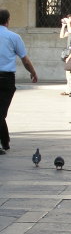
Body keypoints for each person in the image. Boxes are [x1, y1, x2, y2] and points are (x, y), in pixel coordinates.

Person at [0, 9, 37, 154]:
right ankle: (5, 140)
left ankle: (5, 140)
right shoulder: (13, 37)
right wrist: (33, 72)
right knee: (1, 111)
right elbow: (25, 59)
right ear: (8, 20)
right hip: (6, 79)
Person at [59, 14, 71, 96]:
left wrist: (69, 23)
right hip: (69, 53)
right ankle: (68, 90)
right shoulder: (69, 29)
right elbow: (61, 36)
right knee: (68, 72)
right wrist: (63, 26)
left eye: (69, 19)